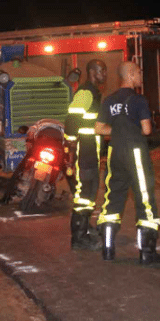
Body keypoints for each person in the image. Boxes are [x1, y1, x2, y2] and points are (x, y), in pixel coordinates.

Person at [95, 61, 160, 264]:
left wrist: (118, 132)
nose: (140, 76)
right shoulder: (138, 100)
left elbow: (99, 129)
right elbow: (146, 130)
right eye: (138, 72)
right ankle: (147, 252)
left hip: (115, 152)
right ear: (129, 74)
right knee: (145, 198)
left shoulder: (109, 100)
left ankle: (108, 249)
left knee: (113, 197)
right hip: (135, 151)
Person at [65, 59, 107, 251]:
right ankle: (78, 237)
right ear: (92, 71)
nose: (105, 74)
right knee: (84, 194)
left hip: (91, 150)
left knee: (89, 194)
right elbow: (72, 120)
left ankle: (84, 230)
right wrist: (71, 146)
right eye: (102, 70)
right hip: (84, 150)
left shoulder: (93, 92)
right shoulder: (85, 92)